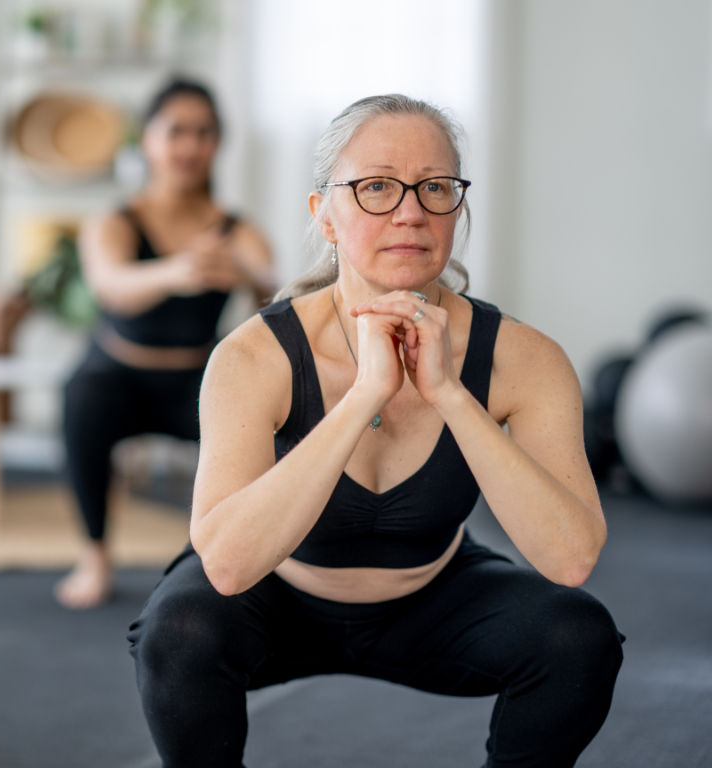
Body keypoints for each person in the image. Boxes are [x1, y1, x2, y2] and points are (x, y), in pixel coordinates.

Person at [127, 94, 624, 767]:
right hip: (276, 601)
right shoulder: (254, 357)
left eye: (435, 188)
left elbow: (570, 558)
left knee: (577, 638)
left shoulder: (524, 359)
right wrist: (366, 395)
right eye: (377, 187)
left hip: (433, 601)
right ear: (324, 216)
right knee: (180, 630)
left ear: (457, 209)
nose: (411, 210)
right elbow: (227, 562)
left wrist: (449, 393)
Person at [57, 80, 275, 609]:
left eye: (204, 133)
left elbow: (276, 289)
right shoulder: (115, 220)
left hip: (196, 379)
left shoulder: (233, 227)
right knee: (80, 397)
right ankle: (95, 555)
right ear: (147, 141)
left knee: (263, 412)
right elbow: (112, 286)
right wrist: (175, 271)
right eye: (176, 131)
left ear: (217, 144)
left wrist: (243, 270)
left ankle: (250, 552)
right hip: (118, 375)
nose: (190, 145)